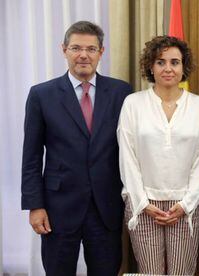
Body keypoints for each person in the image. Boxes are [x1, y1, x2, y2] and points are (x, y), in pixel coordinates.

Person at [21, 21, 133, 275]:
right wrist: (34, 206)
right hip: (58, 208)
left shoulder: (121, 92)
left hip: (106, 207)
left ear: (101, 52)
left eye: (91, 49)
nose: (83, 55)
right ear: (64, 49)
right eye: (76, 48)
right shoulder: (42, 95)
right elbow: (31, 157)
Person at [117, 35, 199, 275]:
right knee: (149, 273)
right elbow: (127, 157)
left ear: (183, 67)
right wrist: (143, 203)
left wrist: (187, 203)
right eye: (160, 62)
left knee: (182, 272)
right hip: (143, 204)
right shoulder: (132, 103)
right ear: (150, 66)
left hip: (185, 206)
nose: (168, 68)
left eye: (174, 62)